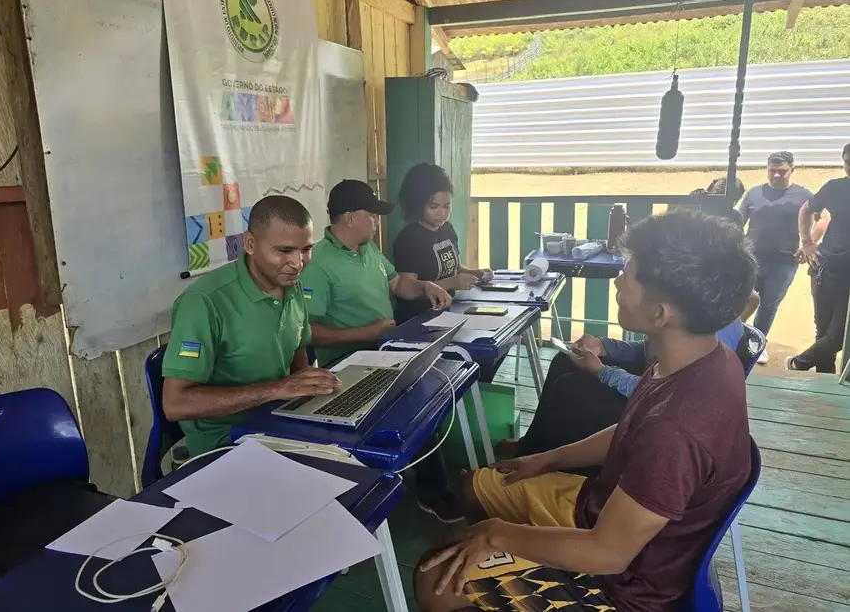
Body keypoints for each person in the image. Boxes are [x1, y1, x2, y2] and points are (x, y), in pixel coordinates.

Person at [414, 209, 756, 612]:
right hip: (603, 506)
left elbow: (608, 554)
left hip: (622, 585)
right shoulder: (703, 357)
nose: (618, 279)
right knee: (477, 485)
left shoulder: (677, 427)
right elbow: (630, 428)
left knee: (433, 580)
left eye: (630, 273)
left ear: (660, 313)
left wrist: (496, 535)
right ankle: (493, 564)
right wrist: (546, 458)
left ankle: (491, 567)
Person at [299, 179, 461, 522]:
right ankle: (420, 490)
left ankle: (422, 483)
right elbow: (307, 332)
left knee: (432, 394)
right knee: (416, 406)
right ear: (348, 218)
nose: (376, 221)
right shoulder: (319, 262)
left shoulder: (368, 249)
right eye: (371, 215)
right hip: (347, 364)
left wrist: (423, 285)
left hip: (385, 350)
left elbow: (396, 283)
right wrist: (367, 332)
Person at [161, 195, 340, 457]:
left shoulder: (292, 287)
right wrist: (277, 389)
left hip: (277, 421)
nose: (298, 263)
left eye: (306, 250)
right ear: (250, 243)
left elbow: (297, 355)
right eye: (284, 251)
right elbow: (175, 404)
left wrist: (312, 393)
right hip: (225, 443)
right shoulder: (203, 303)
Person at [498, 288, 759, 459]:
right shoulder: (693, 307)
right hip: (652, 389)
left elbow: (662, 394)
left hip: (654, 414)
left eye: (632, 276)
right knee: (565, 361)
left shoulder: (706, 334)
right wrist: (603, 346)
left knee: (571, 389)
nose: (618, 282)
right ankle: (533, 445)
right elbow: (646, 354)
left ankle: (545, 459)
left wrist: (601, 371)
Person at [392, 163, 493, 324]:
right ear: (417, 204)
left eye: (447, 206)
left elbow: (453, 266)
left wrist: (475, 272)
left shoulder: (447, 229)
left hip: (448, 312)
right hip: (419, 319)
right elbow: (406, 289)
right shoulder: (409, 239)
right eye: (434, 207)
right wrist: (452, 282)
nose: (442, 213)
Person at [739, 151, 812, 364]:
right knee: (742, 298)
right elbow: (738, 222)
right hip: (751, 258)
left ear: (792, 169)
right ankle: (736, 337)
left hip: (784, 262)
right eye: (772, 171)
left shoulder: (803, 195)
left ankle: (758, 343)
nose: (777, 176)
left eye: (782, 171)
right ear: (767, 169)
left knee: (769, 304)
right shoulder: (754, 194)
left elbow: (822, 217)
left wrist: (809, 243)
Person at [790, 143, 850, 374]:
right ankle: (823, 384)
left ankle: (798, 363)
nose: (849, 166)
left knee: (838, 336)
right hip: (826, 268)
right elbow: (806, 209)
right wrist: (806, 243)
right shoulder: (835, 187)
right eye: (846, 161)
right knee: (824, 331)